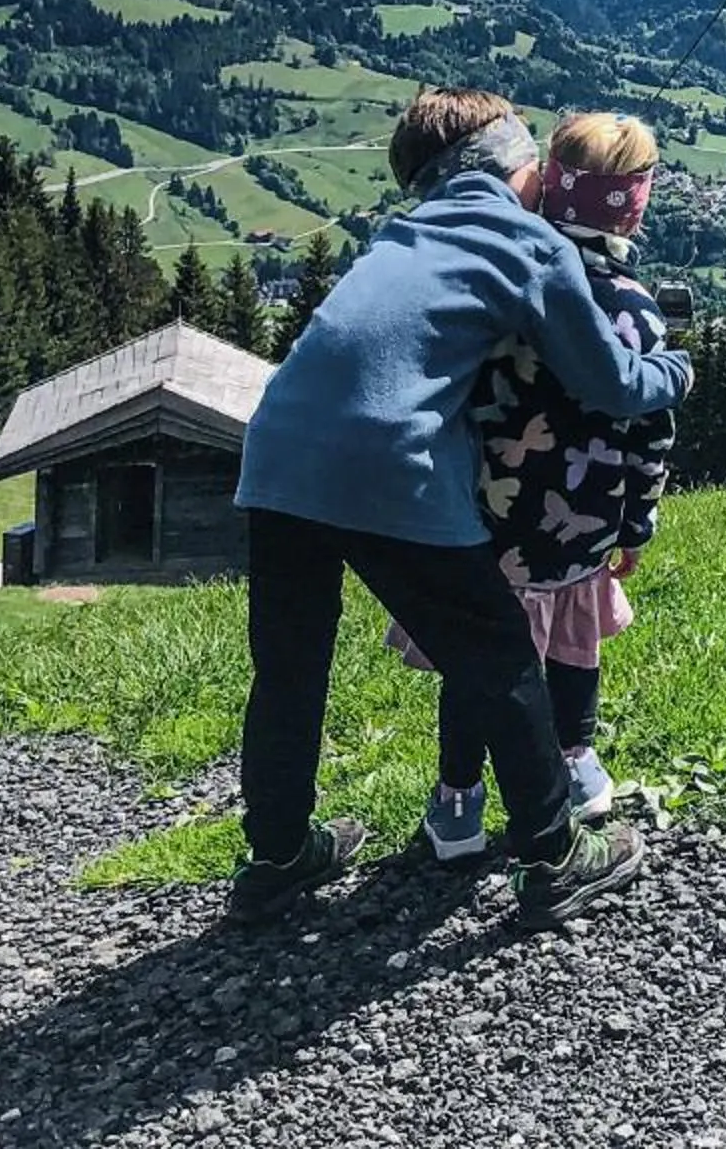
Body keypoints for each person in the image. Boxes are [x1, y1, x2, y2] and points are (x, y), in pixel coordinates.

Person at [227, 87, 692, 932]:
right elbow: (613, 383)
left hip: (277, 456)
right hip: (383, 463)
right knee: (498, 654)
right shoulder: (524, 239)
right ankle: (557, 855)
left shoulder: (400, 234)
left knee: (289, 668)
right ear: (523, 168)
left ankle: (276, 857)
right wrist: (679, 373)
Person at [399, 111, 677, 859]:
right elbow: (649, 433)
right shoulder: (634, 310)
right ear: (637, 202)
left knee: (475, 661)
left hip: (483, 522)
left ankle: (457, 800)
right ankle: (576, 767)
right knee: (573, 647)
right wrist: (635, 527)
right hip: (582, 519)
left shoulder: (502, 279)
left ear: (551, 184)